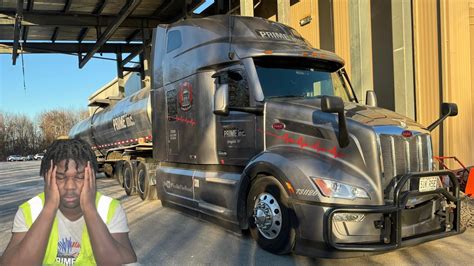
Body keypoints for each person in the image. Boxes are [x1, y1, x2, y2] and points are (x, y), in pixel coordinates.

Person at [1, 139, 137, 265]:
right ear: (47, 177)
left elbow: (124, 262)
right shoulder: (30, 210)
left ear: (92, 178)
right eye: (60, 177)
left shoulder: (108, 208)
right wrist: (49, 208)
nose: (70, 186)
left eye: (80, 177)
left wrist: (89, 209)